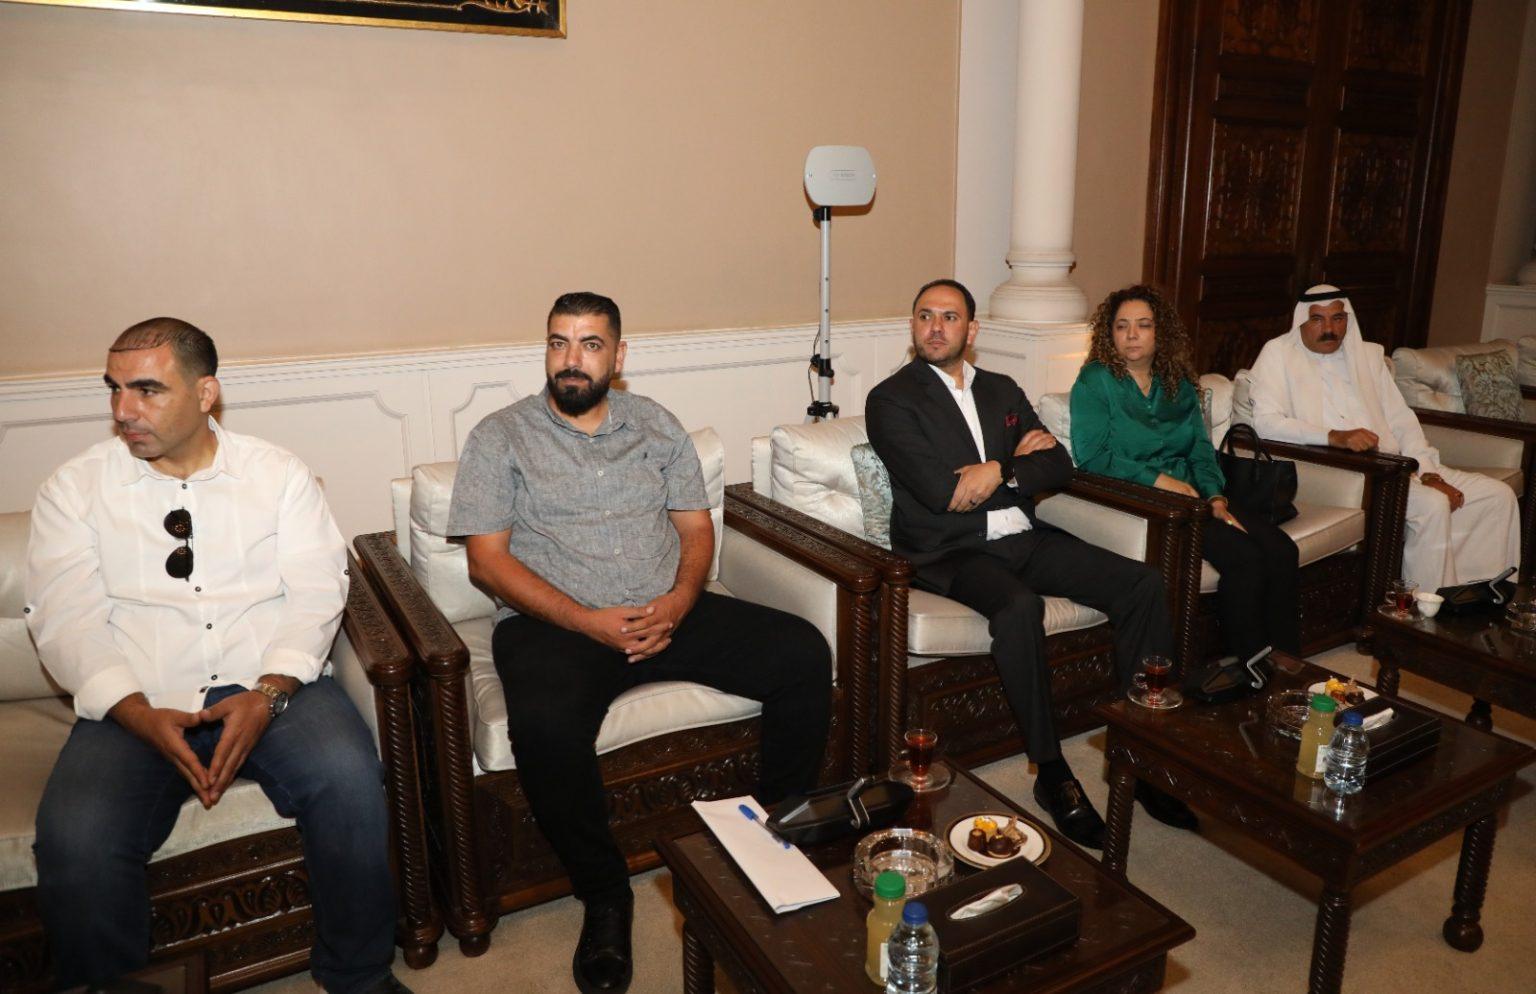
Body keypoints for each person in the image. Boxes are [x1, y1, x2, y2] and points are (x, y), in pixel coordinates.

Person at [447, 292, 831, 994]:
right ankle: (604, 894)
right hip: (556, 624)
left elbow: (695, 529)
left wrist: (681, 602)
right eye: (559, 342)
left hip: (667, 610)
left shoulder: (656, 424)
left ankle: (776, 832)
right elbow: (487, 563)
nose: (572, 359)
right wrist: (585, 620)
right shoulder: (500, 436)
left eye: (590, 344)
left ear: (618, 356)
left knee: (803, 653)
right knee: (544, 724)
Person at [25, 319, 407, 994]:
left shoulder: (276, 474)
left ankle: (359, 977)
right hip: (137, 698)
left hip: (270, 682)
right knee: (74, 838)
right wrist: (135, 712)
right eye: (114, 389)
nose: (123, 410)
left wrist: (270, 692)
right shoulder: (75, 489)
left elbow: (319, 590)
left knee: (349, 783)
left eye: (147, 390)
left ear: (206, 394)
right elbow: (66, 621)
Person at [865, 278, 1195, 850]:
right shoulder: (891, 399)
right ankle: (1052, 770)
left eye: (950, 317)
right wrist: (1012, 465)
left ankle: (1144, 758)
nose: (936, 328)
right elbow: (942, 493)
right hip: (950, 551)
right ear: (913, 325)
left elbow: (1059, 465)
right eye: (925, 316)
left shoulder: (1002, 388)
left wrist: (997, 470)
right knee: (1019, 607)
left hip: (1022, 534)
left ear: (972, 329)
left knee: (1140, 583)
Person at [1071, 284, 1300, 662]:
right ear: (1109, 334)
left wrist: (1216, 495)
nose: (1132, 335)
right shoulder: (1095, 381)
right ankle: (1252, 668)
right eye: (1122, 326)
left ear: (1159, 331)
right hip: (1144, 502)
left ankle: (1289, 666)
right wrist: (1159, 481)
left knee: (1281, 549)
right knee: (1245, 558)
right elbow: (1093, 457)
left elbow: (1199, 449)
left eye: (1143, 325)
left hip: (1194, 495)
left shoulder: (1175, 379)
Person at [1248, 285, 1519, 592]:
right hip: (1344, 475)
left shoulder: (1367, 355)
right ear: (1301, 321)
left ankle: (1484, 595)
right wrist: (1334, 437)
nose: (1329, 329)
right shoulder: (1278, 354)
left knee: (1497, 496)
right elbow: (1266, 424)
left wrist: (1429, 472)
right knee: (1432, 504)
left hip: (1402, 466)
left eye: (1338, 319)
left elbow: (1401, 420)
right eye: (1317, 319)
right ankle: (1426, 603)